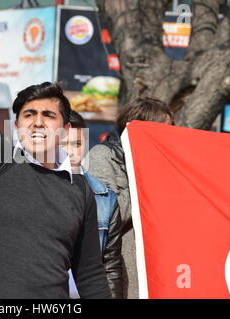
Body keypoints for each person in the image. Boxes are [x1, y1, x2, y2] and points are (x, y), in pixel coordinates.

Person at [0, 0, 110, 298]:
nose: (38, 123)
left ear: (66, 129)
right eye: (29, 115)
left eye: (48, 115)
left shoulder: (81, 190)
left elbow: (90, 275)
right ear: (17, 126)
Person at [87, 97, 175, 298]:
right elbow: (106, 214)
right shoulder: (104, 156)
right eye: (164, 129)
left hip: (165, 271)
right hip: (128, 275)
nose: (170, 135)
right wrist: (144, 175)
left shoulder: (167, 163)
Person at [64, 110, 123, 298]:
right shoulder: (35, 190)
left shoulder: (106, 198)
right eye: (63, 144)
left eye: (77, 144)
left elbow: (111, 266)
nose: (70, 151)